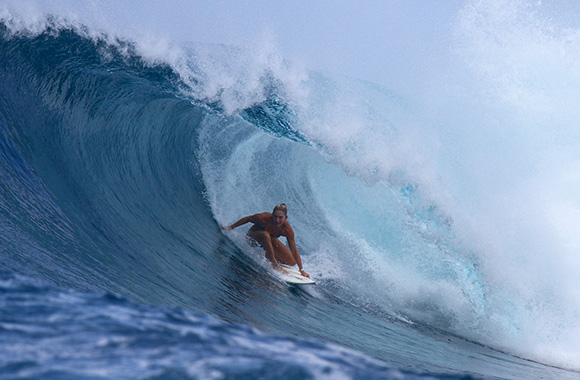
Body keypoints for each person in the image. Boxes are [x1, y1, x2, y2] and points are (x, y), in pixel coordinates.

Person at [221, 204, 310, 278]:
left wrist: (302, 270)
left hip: (268, 241)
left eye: (280, 217)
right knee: (265, 235)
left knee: (291, 262)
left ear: (286, 217)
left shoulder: (287, 230)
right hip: (253, 239)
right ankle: (274, 264)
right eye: (275, 216)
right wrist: (231, 227)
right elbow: (248, 218)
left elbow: (294, 249)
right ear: (272, 215)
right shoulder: (263, 218)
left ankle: (268, 256)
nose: (277, 220)